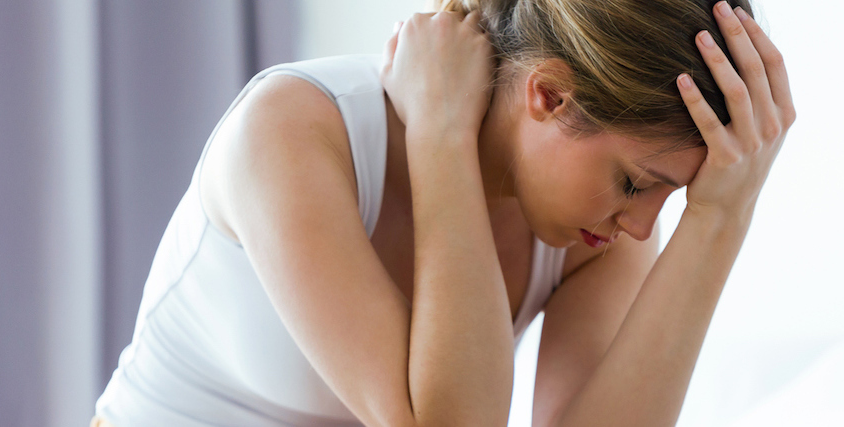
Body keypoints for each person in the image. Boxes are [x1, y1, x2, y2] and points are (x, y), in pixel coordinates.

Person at [91, 0, 795, 425]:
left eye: (675, 198)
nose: (642, 227)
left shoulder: (593, 228)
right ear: (548, 96)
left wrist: (720, 220)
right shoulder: (291, 132)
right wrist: (439, 140)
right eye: (637, 185)